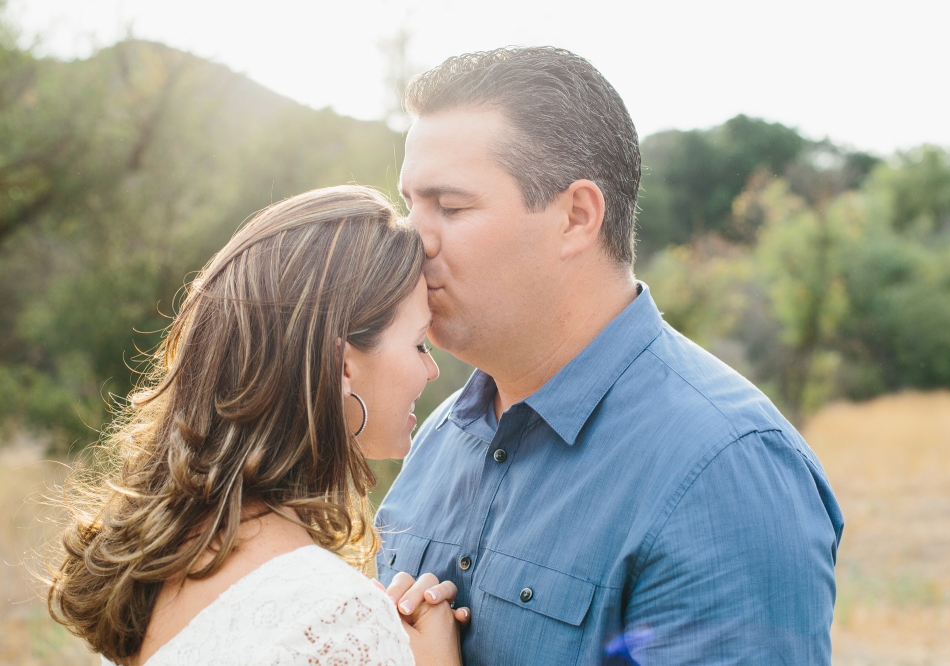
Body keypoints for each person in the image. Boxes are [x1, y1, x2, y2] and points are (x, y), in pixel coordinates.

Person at [376, 47, 845, 664]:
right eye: (410, 203)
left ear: (576, 217)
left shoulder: (725, 471)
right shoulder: (438, 438)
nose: (413, 237)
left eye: (451, 207)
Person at [47, 186, 466, 666]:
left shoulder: (157, 559)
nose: (430, 371)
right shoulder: (339, 618)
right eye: (418, 345)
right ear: (342, 367)